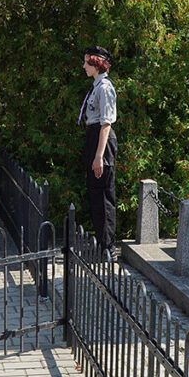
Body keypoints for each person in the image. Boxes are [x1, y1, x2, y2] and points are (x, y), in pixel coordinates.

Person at [79, 46, 117, 252]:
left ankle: (107, 246)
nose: (84, 66)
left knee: (103, 194)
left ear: (96, 63)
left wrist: (99, 156)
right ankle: (101, 241)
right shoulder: (95, 87)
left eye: (87, 62)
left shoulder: (104, 88)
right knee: (94, 192)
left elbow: (106, 124)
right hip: (93, 137)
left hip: (102, 141)